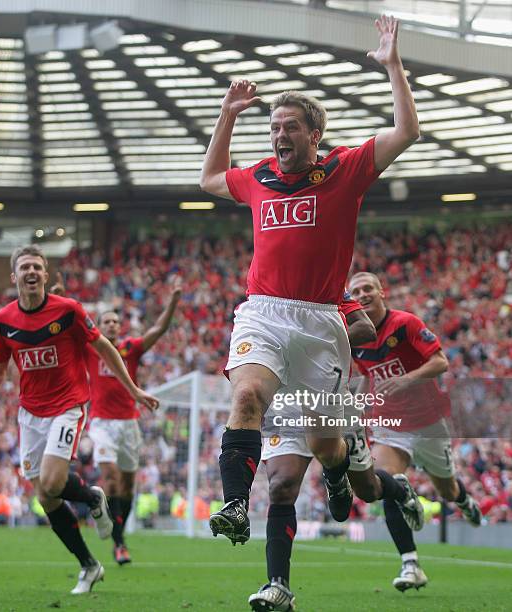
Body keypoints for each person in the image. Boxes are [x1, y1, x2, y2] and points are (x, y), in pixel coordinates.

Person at [199, 14, 419, 546]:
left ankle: (345, 469)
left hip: (322, 320)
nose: (279, 135)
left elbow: (408, 132)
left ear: (313, 135)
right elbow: (208, 179)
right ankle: (233, 504)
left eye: (289, 127)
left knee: (328, 445)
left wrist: (393, 66)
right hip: (263, 311)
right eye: (273, 127)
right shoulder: (259, 178)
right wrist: (227, 116)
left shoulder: (344, 170)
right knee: (247, 396)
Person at [0, 245, 159, 595]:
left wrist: (134, 389)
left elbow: (105, 348)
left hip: (68, 406)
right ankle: (89, 565)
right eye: (25, 267)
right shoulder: (2, 320)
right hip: (30, 414)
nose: (31, 272)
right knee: (46, 498)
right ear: (14, 277)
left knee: (52, 482)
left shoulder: (68, 311)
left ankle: (92, 499)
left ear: (45, 275)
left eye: (37, 266)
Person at [248, 293, 423, 611]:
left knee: (368, 491)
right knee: (281, 486)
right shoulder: (264, 296)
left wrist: (312, 340)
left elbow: (366, 330)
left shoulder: (329, 291)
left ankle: (395, 489)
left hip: (331, 399)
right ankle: (279, 586)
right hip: (286, 405)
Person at [348, 271, 482, 592]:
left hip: (429, 421)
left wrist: (406, 380)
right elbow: (368, 376)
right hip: (390, 423)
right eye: (356, 291)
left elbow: (440, 362)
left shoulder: (405, 323)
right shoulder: (355, 337)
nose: (363, 294)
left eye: (369, 288)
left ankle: (463, 501)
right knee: (384, 479)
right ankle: (410, 564)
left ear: (383, 292)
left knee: (447, 490)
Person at [78, 277, 181, 564]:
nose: (111, 325)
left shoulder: (130, 349)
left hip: (128, 424)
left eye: (114, 322)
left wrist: (172, 300)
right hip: (101, 424)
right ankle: (118, 541)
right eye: (106, 322)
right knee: (109, 479)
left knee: (126, 487)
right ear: (98, 326)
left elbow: (158, 329)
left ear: (119, 327)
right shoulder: (90, 348)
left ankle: (119, 540)